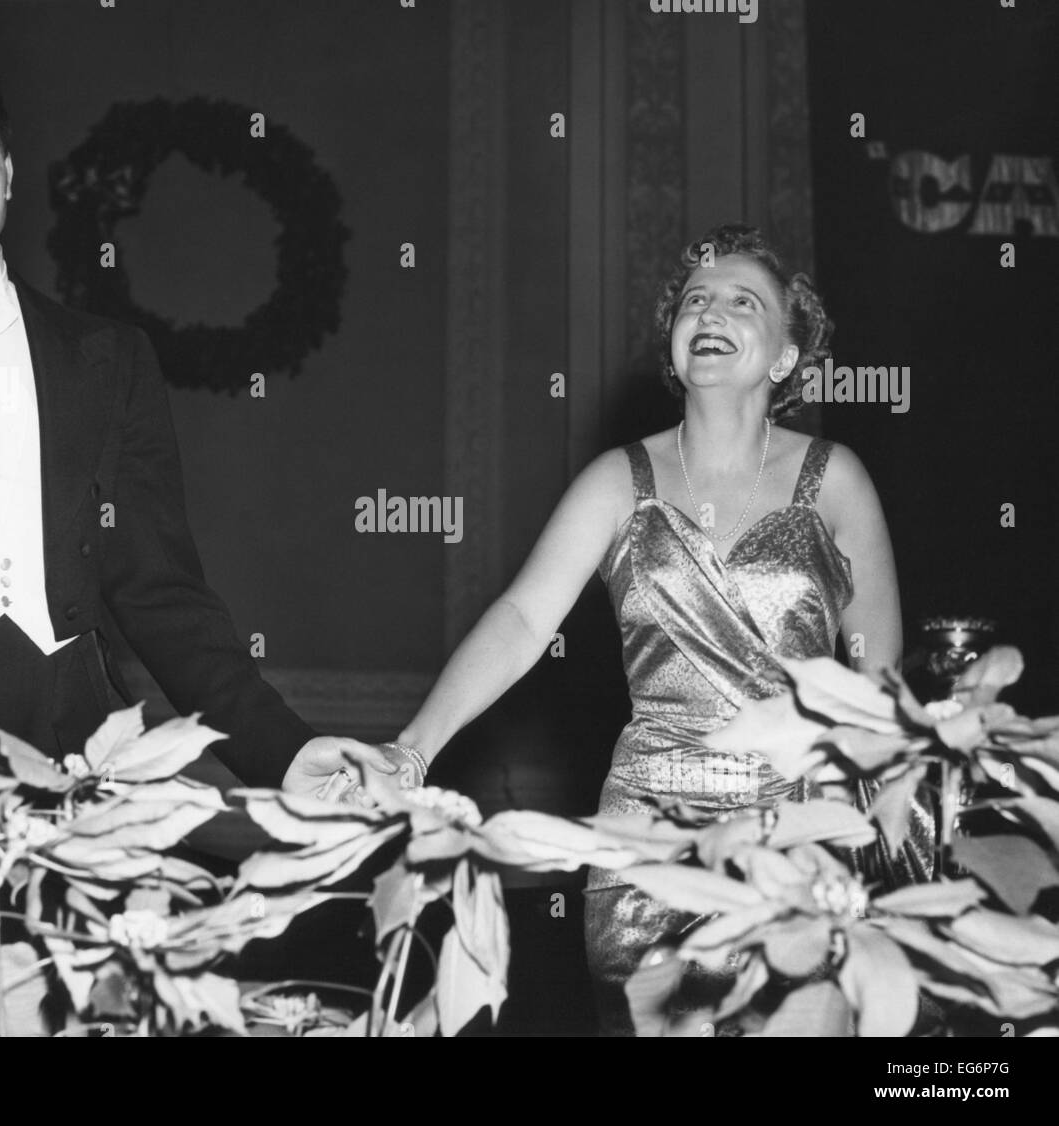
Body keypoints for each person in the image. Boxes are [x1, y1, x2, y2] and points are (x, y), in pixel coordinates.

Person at [0, 42, 392, 1016]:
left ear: (10, 172)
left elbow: (162, 595)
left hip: (69, 770)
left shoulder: (109, 360)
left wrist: (284, 749)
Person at [379, 224, 933, 1034]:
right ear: (675, 347)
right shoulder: (617, 480)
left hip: (803, 837)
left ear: (784, 358)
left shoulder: (836, 479)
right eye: (695, 300)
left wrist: (895, 833)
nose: (710, 310)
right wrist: (413, 748)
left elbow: (880, 679)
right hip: (647, 845)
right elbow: (524, 619)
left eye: (744, 301)